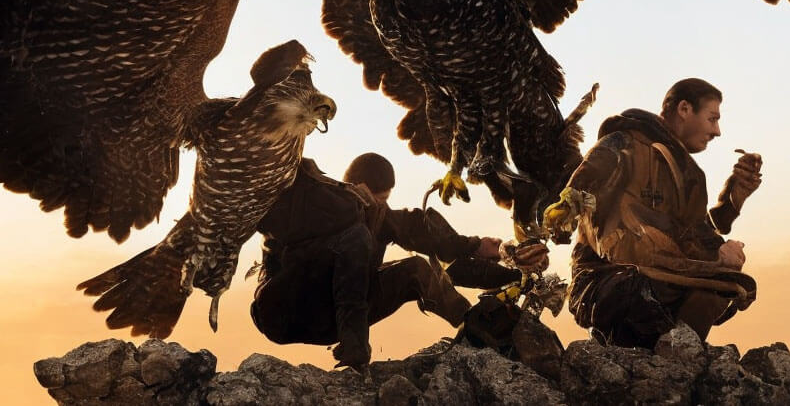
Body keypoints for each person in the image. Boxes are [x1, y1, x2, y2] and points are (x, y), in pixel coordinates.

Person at [250, 153, 523, 370]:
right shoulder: (314, 202)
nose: (378, 206)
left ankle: (475, 328)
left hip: (331, 319)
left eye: (383, 201)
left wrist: (481, 250)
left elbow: (424, 235)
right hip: (284, 310)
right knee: (355, 237)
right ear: (355, 185)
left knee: (417, 270)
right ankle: (355, 346)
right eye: (378, 198)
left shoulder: (376, 215)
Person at [546, 78, 763, 348]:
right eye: (712, 118)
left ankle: (675, 359)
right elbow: (579, 188)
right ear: (684, 109)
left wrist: (733, 199)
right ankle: (623, 354)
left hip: (662, 277)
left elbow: (695, 237)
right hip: (607, 281)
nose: (717, 131)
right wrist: (562, 214)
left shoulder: (691, 175)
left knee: (729, 285)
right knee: (642, 289)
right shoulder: (623, 144)